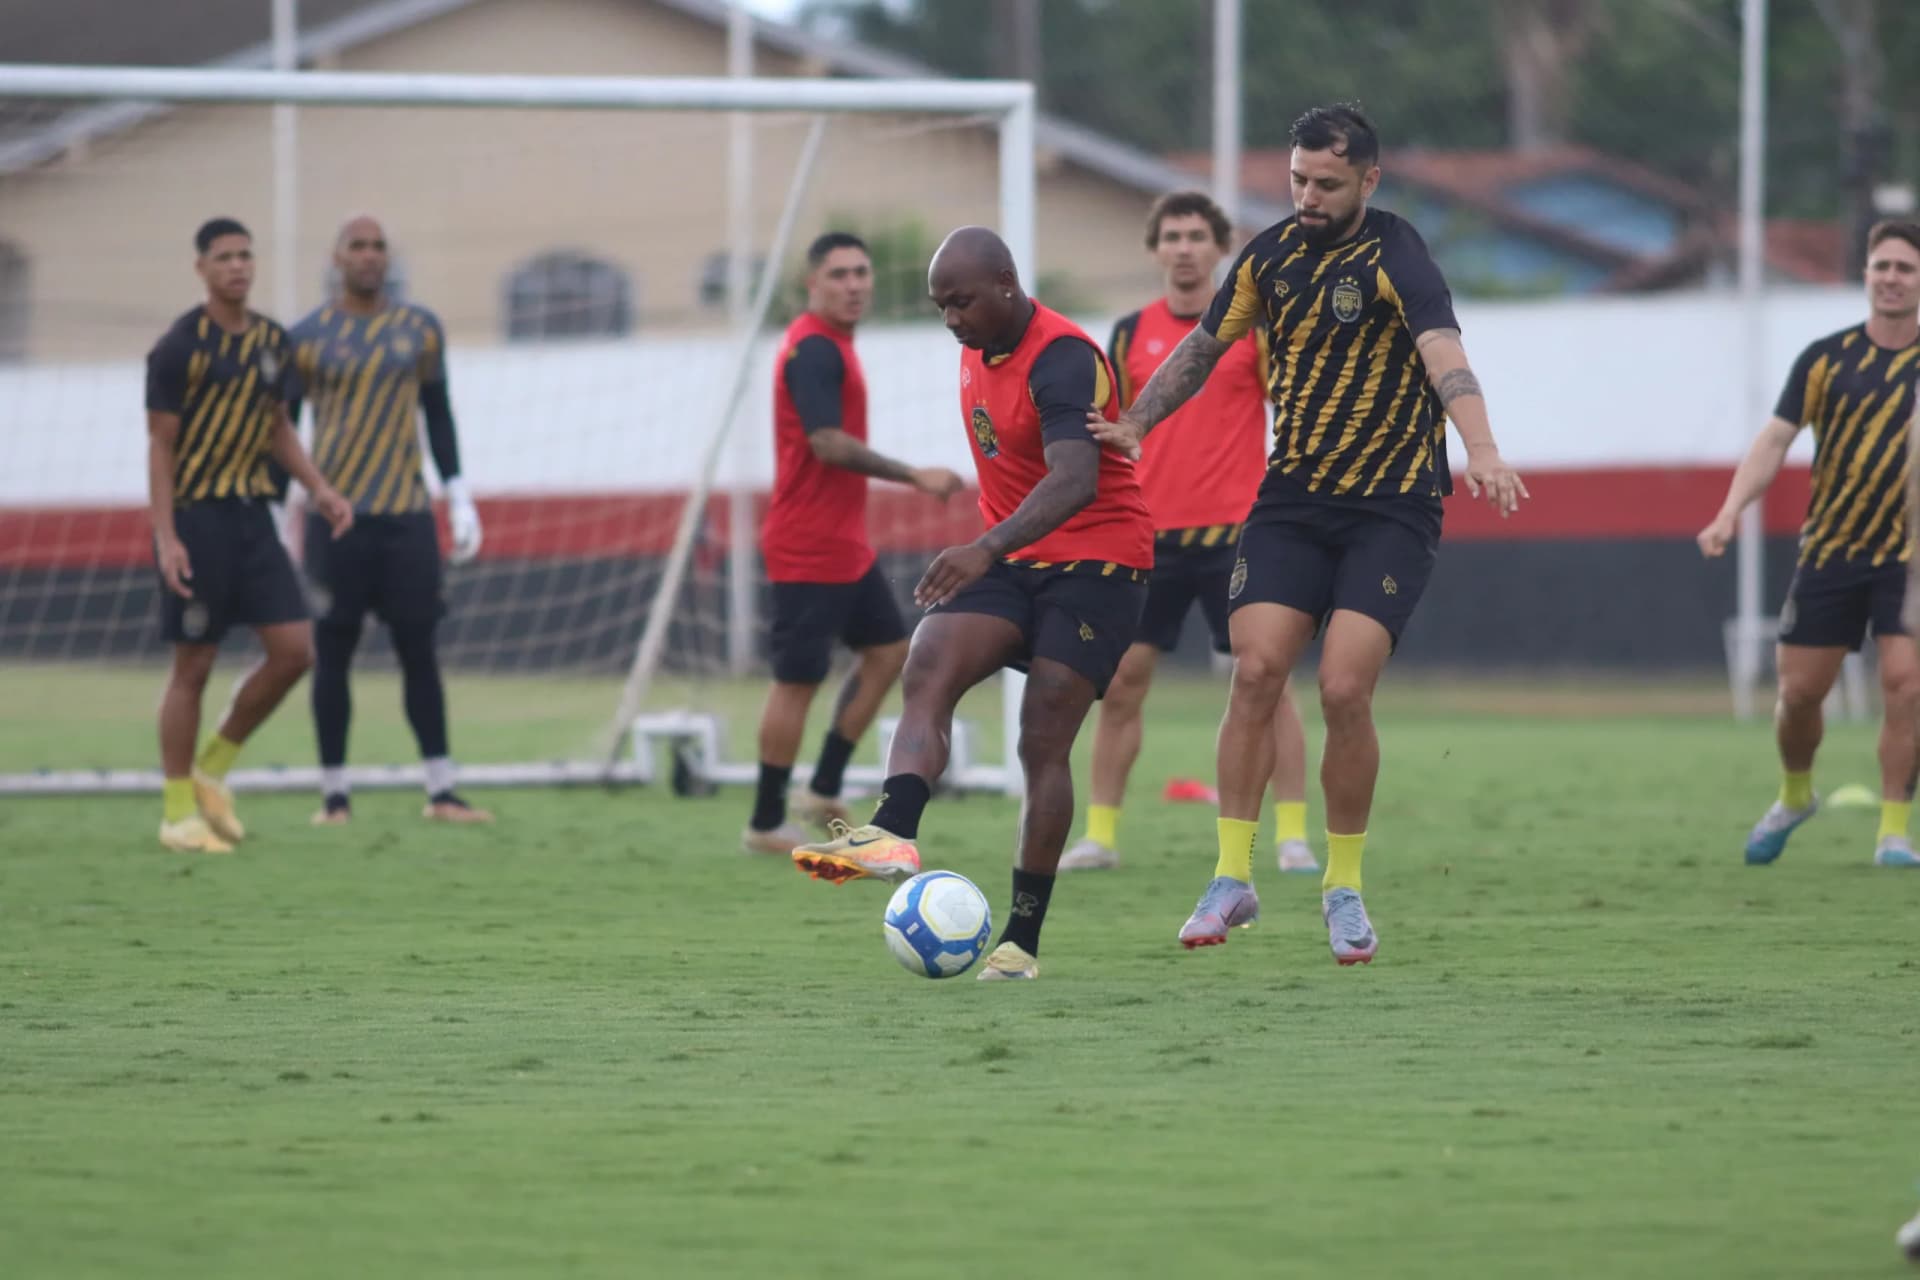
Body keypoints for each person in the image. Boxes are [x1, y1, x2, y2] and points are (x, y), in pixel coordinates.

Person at [1089, 103, 1527, 963]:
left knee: (1341, 691)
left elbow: (1445, 353)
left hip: (1393, 508)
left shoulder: (1398, 253)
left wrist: (1481, 447)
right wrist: (1137, 422)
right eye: (1297, 180)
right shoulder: (1268, 256)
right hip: (1293, 501)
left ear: (1369, 179)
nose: (1309, 196)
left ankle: (1344, 886)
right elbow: (1202, 348)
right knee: (1254, 671)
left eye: (1327, 183)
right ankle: (1231, 875)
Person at [791, 226, 1155, 982]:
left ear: (1006, 283)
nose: (951, 318)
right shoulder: (974, 346)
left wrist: (984, 546)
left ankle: (1020, 943)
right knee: (929, 659)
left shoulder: (1062, 359)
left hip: (1100, 559)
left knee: (1042, 731)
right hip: (1014, 553)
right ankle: (892, 833)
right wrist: (995, 548)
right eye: (940, 306)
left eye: (961, 302)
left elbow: (1074, 479)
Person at [1060, 190, 1316, 876]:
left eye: (1196, 235)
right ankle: (1100, 835)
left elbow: (1291, 414)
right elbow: (1108, 432)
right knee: (1120, 686)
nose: (1183, 247)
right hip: (1148, 535)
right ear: (1154, 249)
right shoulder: (1123, 335)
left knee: (1268, 681)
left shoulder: (1250, 330)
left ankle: (1292, 836)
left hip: (1238, 534)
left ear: (1218, 248)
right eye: (1171, 235)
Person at [1700, 219, 1920, 869]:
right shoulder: (1826, 359)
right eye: (1882, 266)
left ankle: (1894, 831)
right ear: (1866, 276)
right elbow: (1774, 440)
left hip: (1909, 560)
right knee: (1799, 696)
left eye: (1905, 268)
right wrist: (1729, 511)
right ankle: (1796, 795)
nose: (1891, 278)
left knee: (1906, 685)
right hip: (1832, 552)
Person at [743, 231, 964, 854]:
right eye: (838, 274)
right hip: (806, 545)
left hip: (844, 543)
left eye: (861, 273)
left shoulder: (834, 343)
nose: (854, 284)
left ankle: (823, 787)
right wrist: (914, 475)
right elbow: (826, 443)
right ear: (811, 284)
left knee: (890, 650)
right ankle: (764, 821)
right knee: (797, 682)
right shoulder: (812, 349)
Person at [146, 216, 353, 853]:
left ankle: (213, 769)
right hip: (198, 518)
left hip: (252, 518)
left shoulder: (271, 342)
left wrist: (319, 488)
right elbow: (161, 445)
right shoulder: (180, 347)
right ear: (202, 269)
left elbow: (278, 429)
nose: (237, 266)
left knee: (295, 651)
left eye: (245, 255)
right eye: (224, 257)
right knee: (195, 665)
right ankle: (177, 812)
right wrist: (166, 536)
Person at [288, 215, 489, 825]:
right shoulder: (305, 337)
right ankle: (334, 796)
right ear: (336, 256)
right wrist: (282, 508)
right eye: (358, 245)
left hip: (406, 515)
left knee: (420, 650)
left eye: (378, 246)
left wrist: (457, 493)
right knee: (334, 651)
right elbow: (283, 429)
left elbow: (438, 412)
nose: (369, 256)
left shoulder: (420, 330)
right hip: (337, 519)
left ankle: (442, 790)